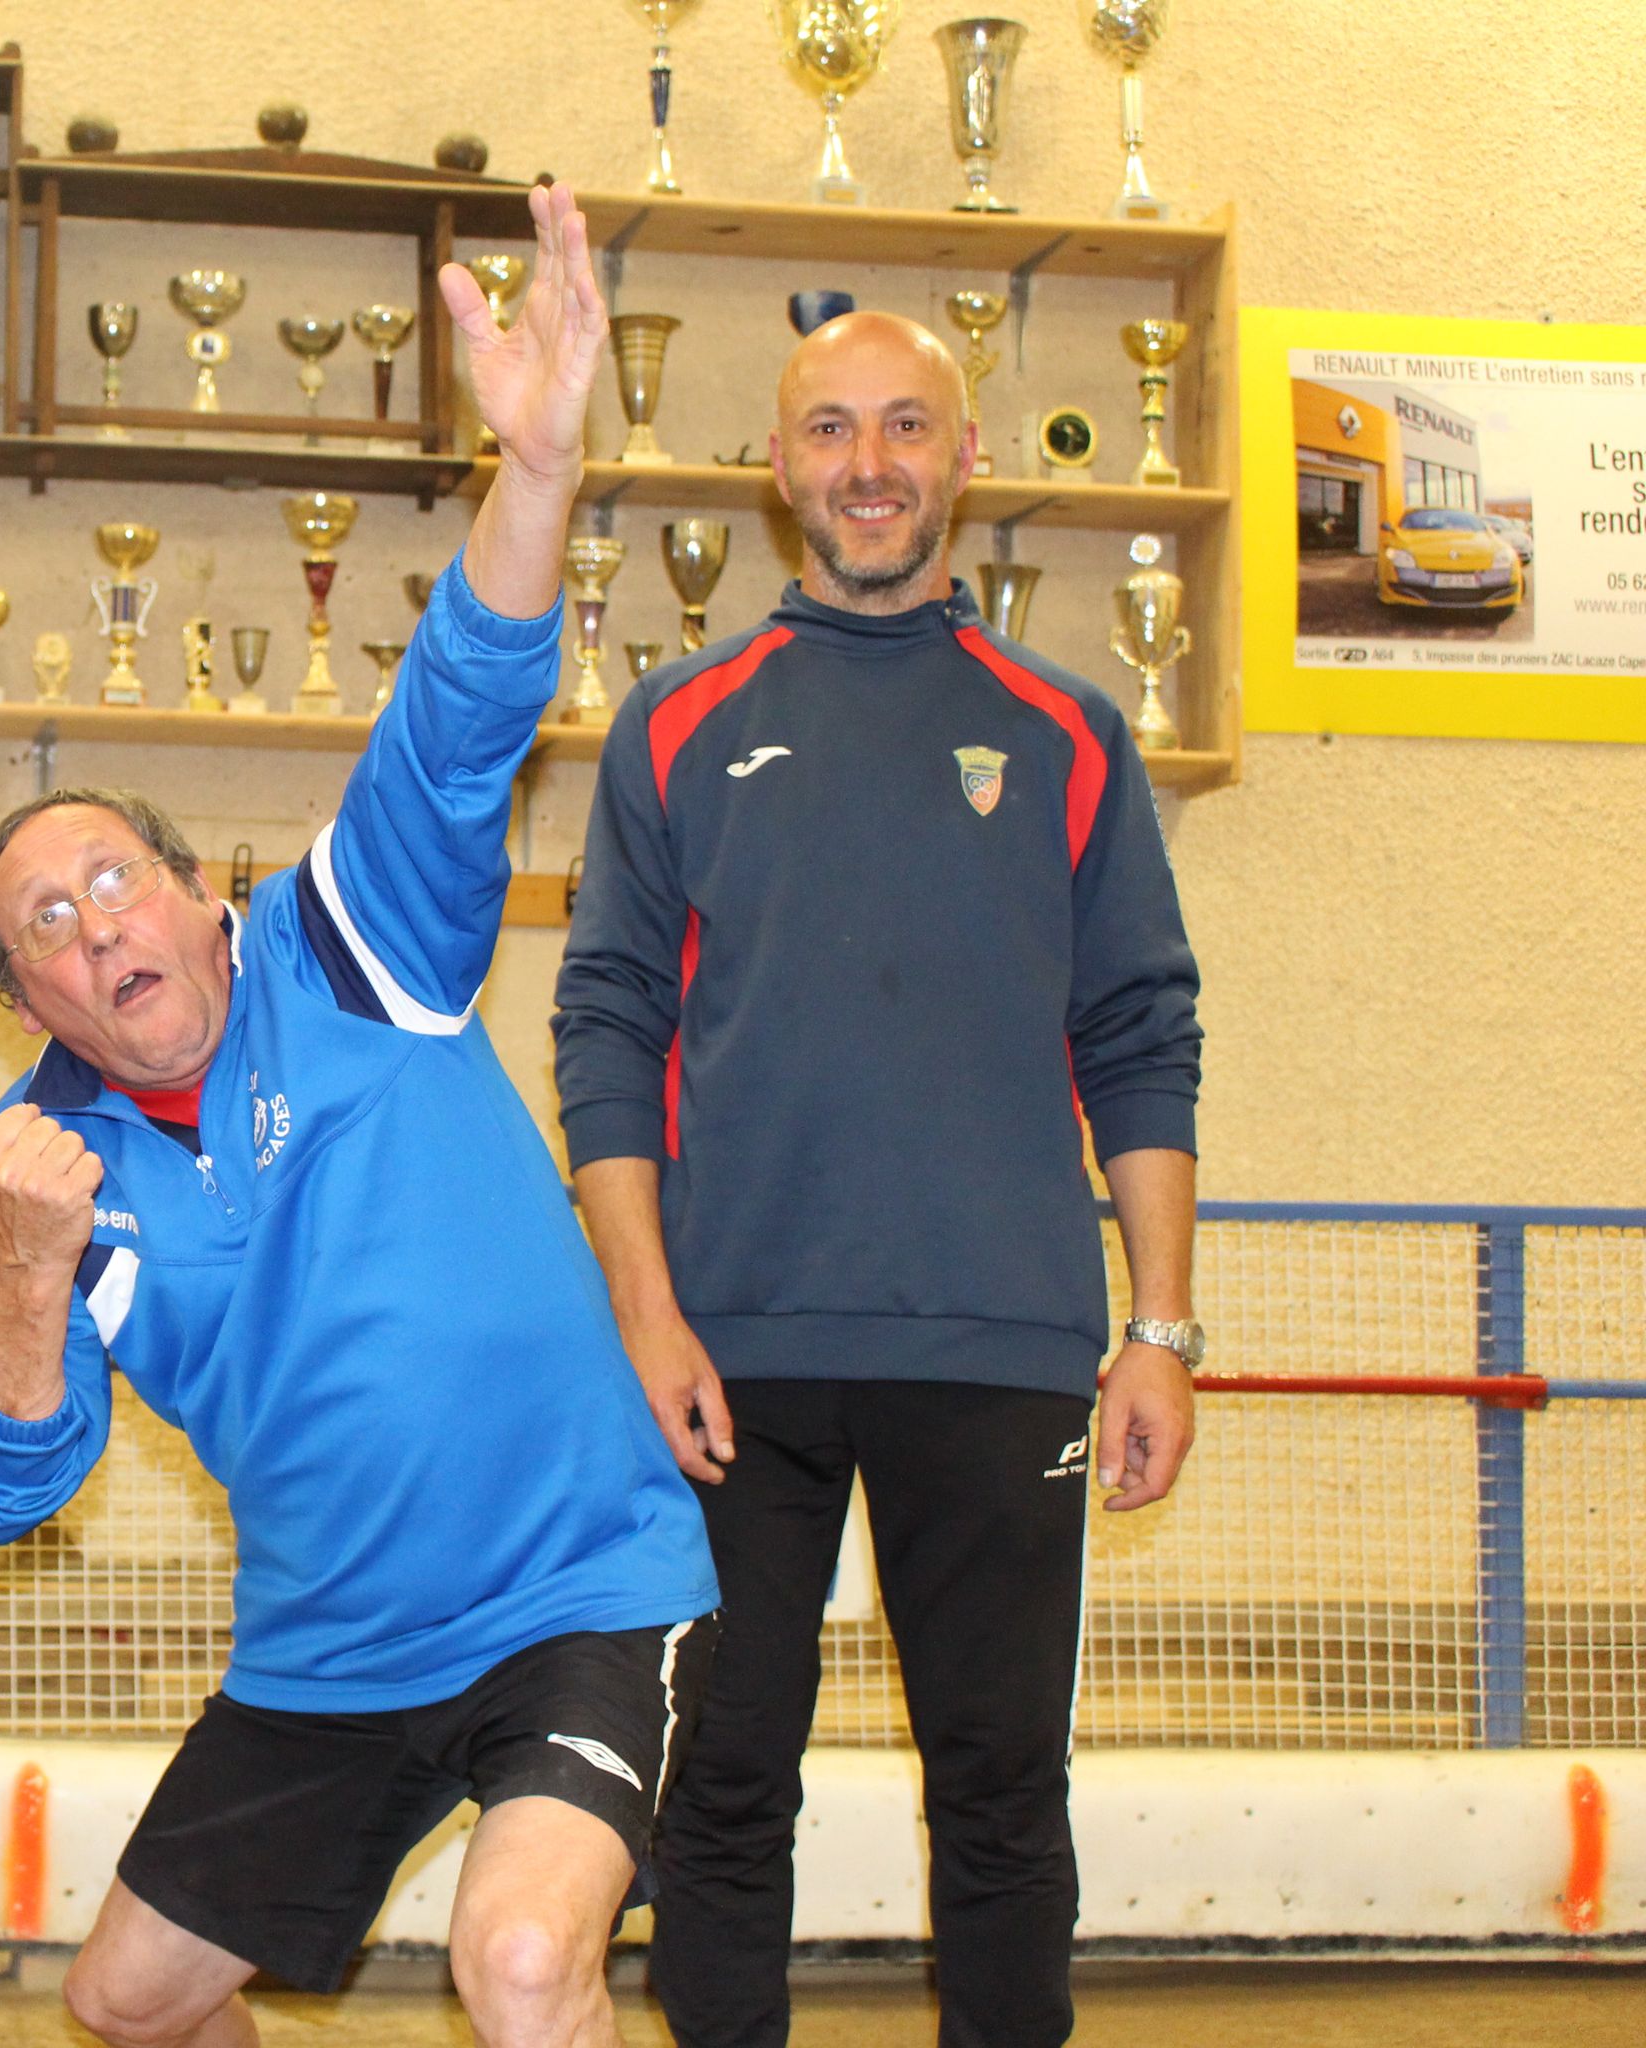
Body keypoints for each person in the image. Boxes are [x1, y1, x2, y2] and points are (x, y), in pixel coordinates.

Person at [0, 183, 720, 2048]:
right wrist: (27, 1278)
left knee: (517, 1961)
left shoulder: (353, 948)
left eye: (114, 881)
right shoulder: (46, 1176)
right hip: (331, 1651)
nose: (93, 928)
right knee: (127, 2003)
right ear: (26, 1001)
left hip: (577, 1592)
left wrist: (537, 469)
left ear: (204, 898)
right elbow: (3, 1489)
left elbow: (456, 716)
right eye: (43, 927)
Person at [553, 310, 1206, 2048]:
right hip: (730, 1357)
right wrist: (648, 1318)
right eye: (832, 429)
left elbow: (1141, 1033)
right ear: (779, 468)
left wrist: (1160, 1331)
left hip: (1002, 1348)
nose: (869, 464)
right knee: (720, 1786)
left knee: (1003, 1789)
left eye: (907, 425)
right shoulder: (676, 724)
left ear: (964, 458)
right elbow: (607, 1026)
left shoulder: (1068, 733)